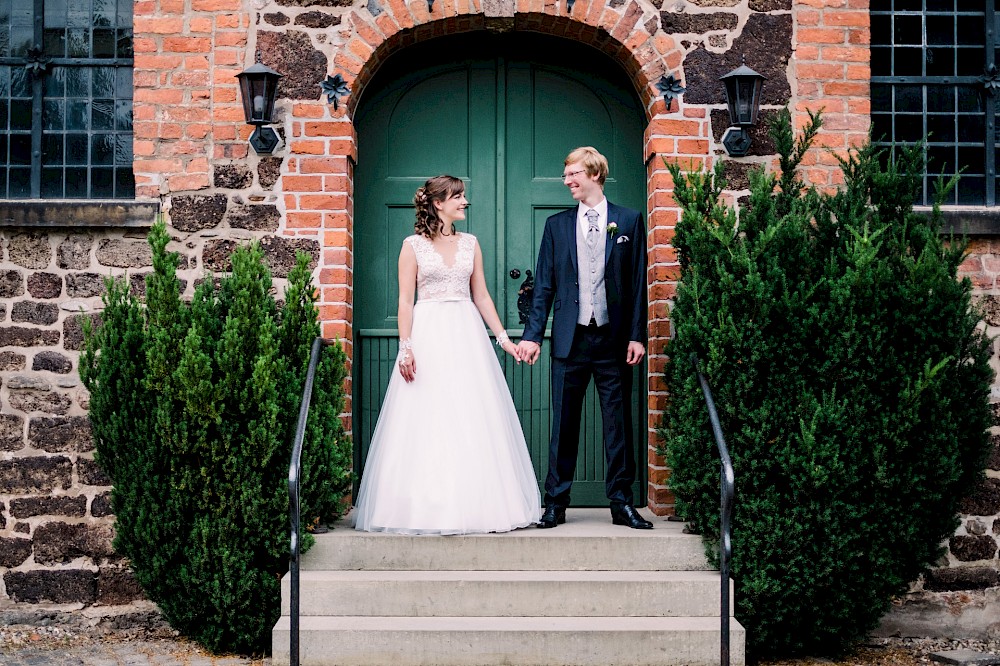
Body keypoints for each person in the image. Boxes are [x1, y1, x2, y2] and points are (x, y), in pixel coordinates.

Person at [352, 175, 542, 535]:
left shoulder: (471, 243)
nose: (465, 201)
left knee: (470, 413)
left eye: (464, 196)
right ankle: (421, 506)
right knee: (426, 415)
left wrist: (503, 339)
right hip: (428, 333)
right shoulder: (413, 246)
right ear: (438, 203)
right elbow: (405, 300)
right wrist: (405, 348)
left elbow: (482, 296)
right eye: (458, 196)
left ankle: (476, 505)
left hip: (466, 334)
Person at [515, 147, 651, 530]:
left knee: (617, 424)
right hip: (569, 341)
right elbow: (543, 287)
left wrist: (636, 335)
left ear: (594, 174)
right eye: (566, 175)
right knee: (564, 425)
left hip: (613, 340)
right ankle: (556, 503)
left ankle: (621, 503)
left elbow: (639, 284)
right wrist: (533, 337)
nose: (567, 181)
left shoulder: (628, 220)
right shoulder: (557, 226)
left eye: (573, 174)